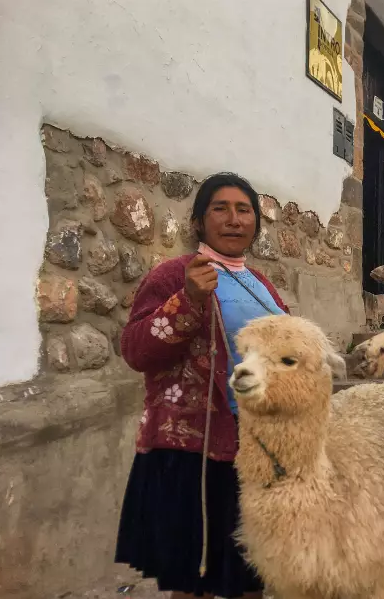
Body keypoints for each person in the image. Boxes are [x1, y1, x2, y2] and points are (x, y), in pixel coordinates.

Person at [115, 173, 288, 599]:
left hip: (259, 446)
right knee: (197, 578)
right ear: (198, 221)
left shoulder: (261, 285)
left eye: (244, 210)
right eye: (220, 208)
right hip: (194, 450)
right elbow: (136, 350)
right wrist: (187, 300)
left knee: (253, 574)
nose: (234, 219)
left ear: (256, 223)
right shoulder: (174, 275)